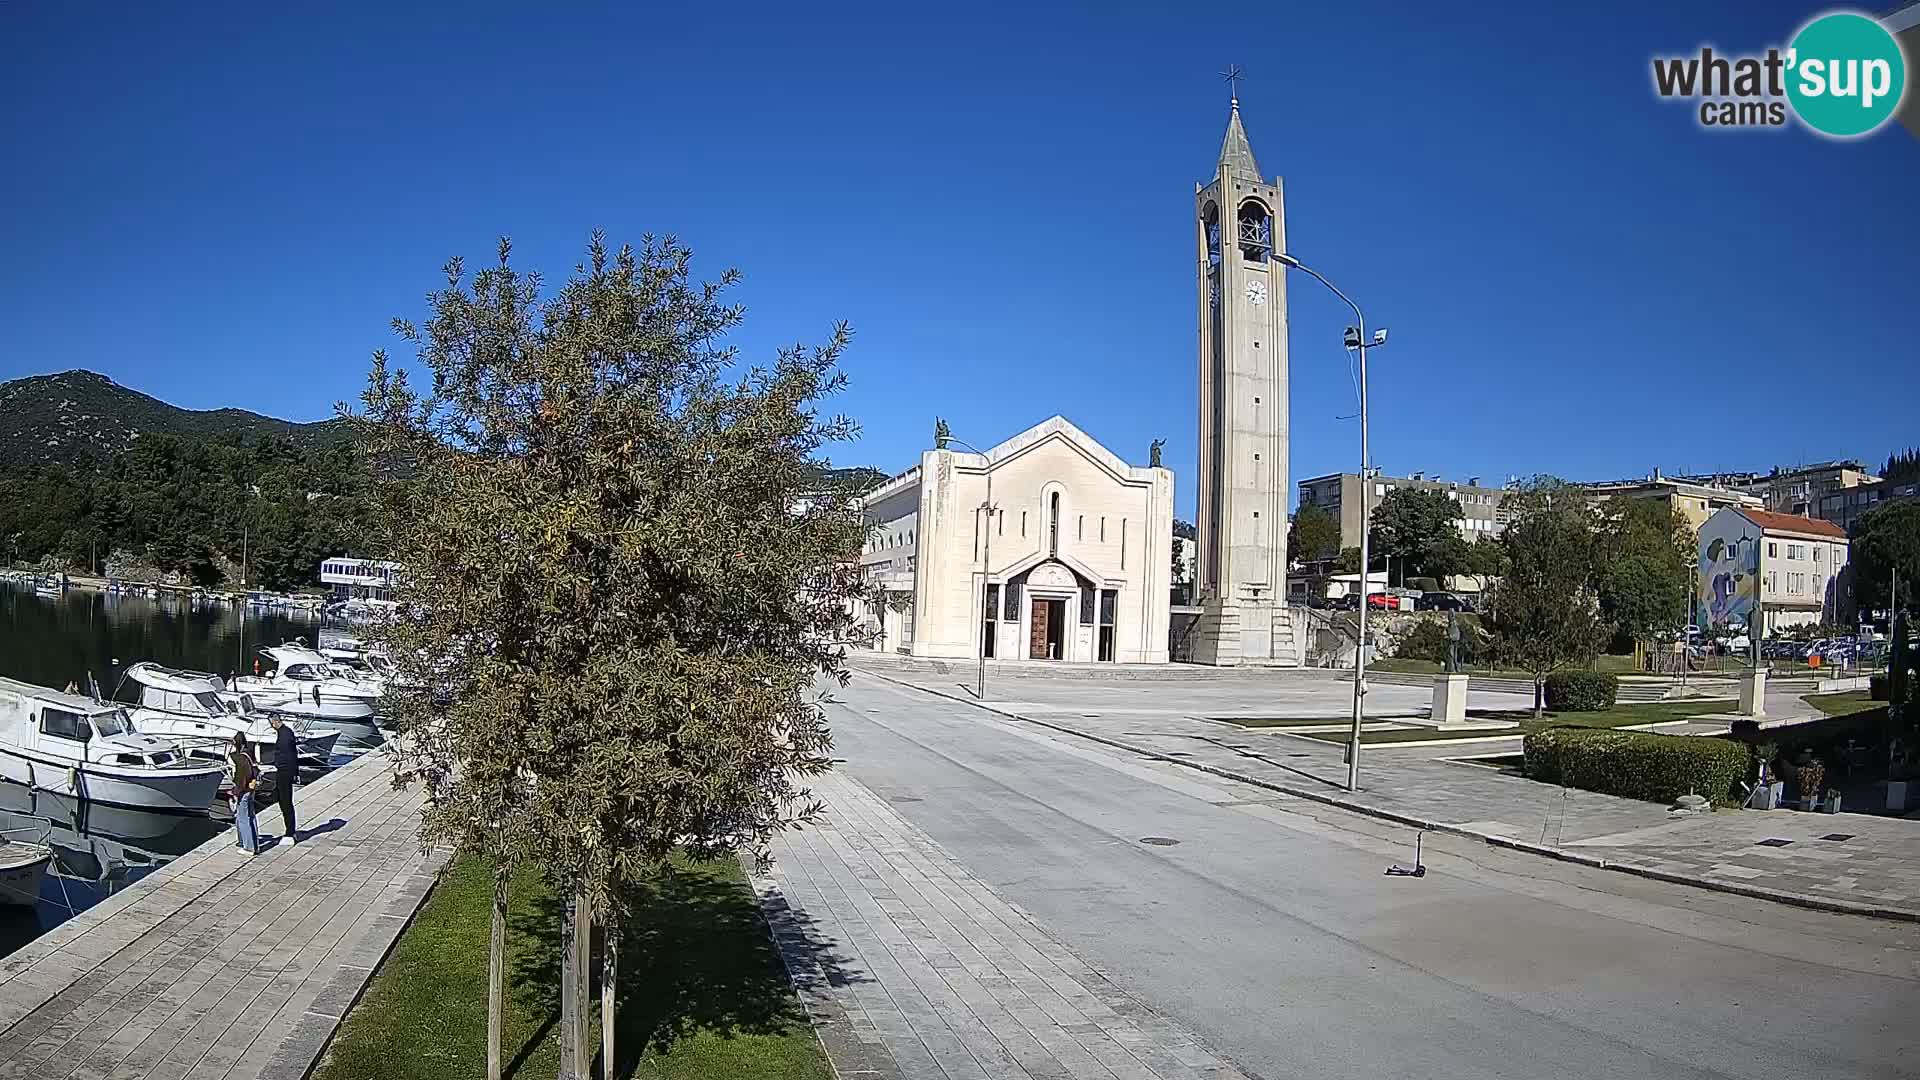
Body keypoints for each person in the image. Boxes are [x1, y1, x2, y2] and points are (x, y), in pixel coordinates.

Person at [268, 713, 299, 843]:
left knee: (286, 802)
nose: (271, 726)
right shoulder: (286, 732)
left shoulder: (284, 735)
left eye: (271, 724)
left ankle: (290, 832)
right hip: (285, 771)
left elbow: (289, 755)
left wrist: (290, 771)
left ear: (274, 722)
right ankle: (290, 830)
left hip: (285, 772)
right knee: (282, 800)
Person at [229, 731, 259, 854]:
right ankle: (253, 844)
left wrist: (236, 792)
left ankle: (249, 847)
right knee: (251, 816)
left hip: (244, 790)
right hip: (251, 789)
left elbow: (241, 778)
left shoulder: (241, 759)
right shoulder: (249, 754)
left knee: (243, 818)